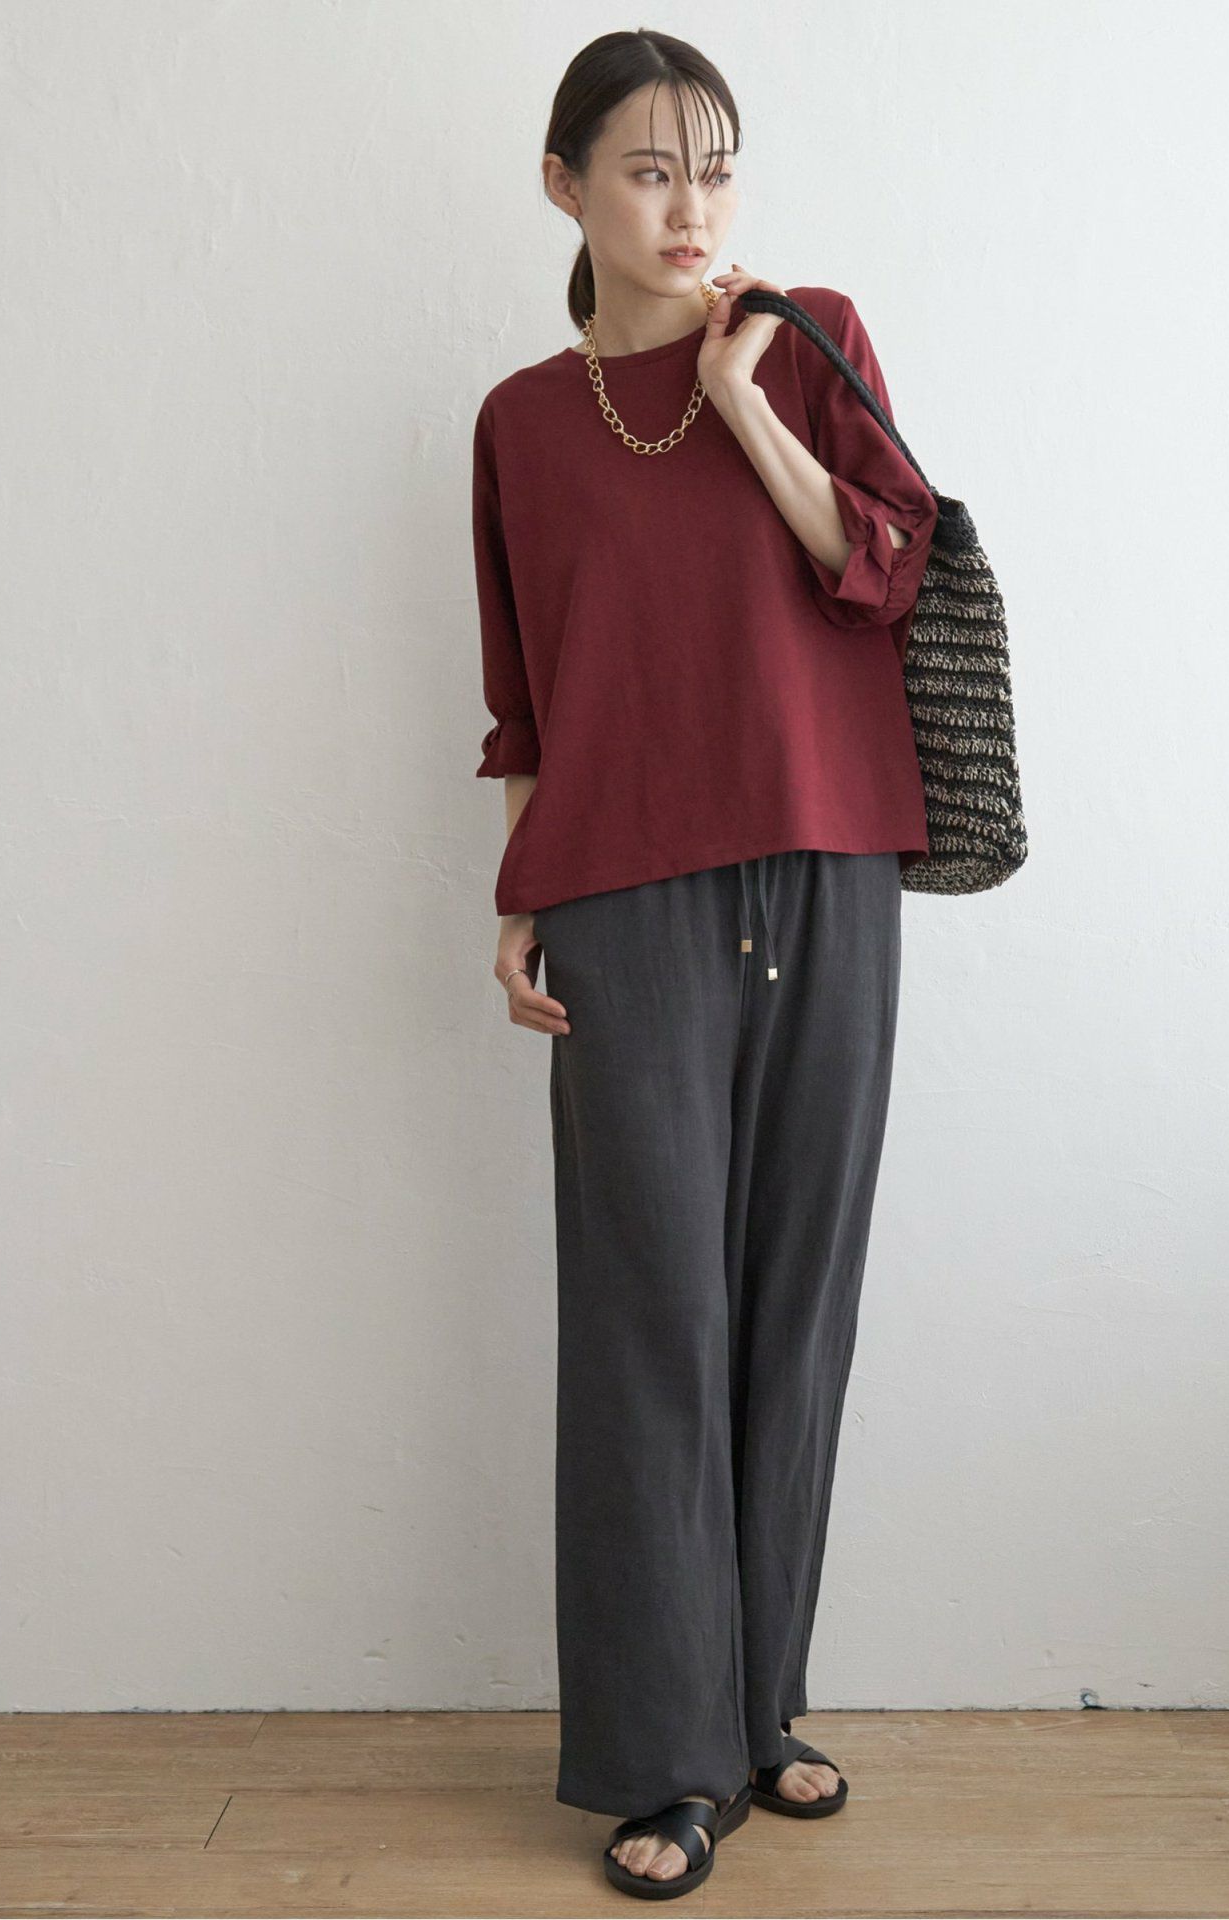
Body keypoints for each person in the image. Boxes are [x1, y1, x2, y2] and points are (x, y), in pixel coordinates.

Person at [471, 28, 938, 1901]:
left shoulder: (811, 340)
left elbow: (881, 568)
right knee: (647, 1321)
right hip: (621, 894)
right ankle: (665, 1760)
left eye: (717, 169)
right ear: (566, 185)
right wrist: (519, 889)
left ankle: (755, 1714)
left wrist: (747, 403)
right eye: (651, 169)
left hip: (831, 865)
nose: (691, 209)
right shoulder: (521, 423)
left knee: (792, 1307)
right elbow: (528, 690)